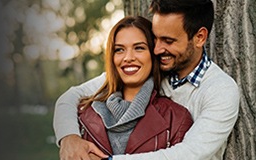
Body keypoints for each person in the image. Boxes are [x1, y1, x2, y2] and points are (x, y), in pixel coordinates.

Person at [53, 0, 240, 159]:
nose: (157, 49)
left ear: (199, 37)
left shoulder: (220, 90)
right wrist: (69, 137)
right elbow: (71, 96)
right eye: (155, 38)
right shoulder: (154, 67)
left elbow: (188, 154)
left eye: (168, 41)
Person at [75, 15, 193, 159]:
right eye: (119, 50)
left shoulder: (176, 119)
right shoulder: (83, 113)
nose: (128, 57)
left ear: (153, 54)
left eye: (139, 48)